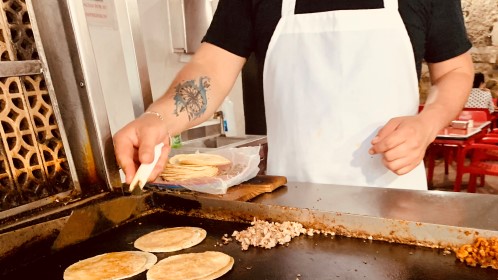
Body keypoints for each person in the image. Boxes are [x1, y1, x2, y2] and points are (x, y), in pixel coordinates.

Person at [113, 0, 473, 191]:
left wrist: (427, 124)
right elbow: (211, 69)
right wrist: (157, 119)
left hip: (394, 202)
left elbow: (455, 70)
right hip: (290, 206)